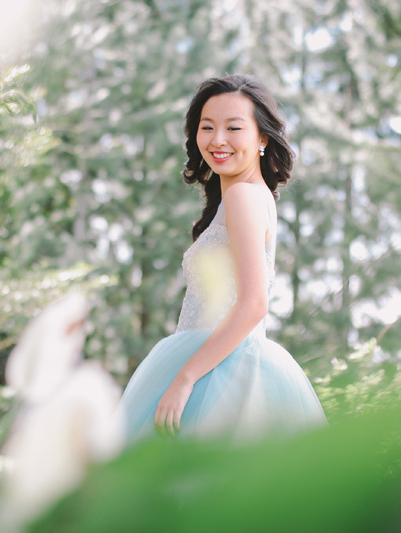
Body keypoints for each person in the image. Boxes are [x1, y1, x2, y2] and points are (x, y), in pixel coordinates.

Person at [118, 74, 327, 444]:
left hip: (217, 373)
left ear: (262, 138)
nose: (217, 140)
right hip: (224, 367)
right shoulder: (252, 196)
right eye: (207, 127)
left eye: (234, 127)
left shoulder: (244, 198)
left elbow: (253, 304)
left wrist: (184, 378)